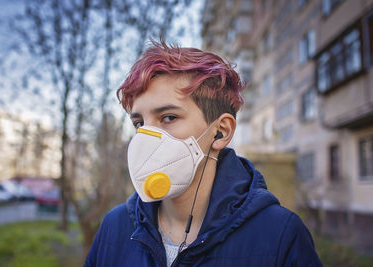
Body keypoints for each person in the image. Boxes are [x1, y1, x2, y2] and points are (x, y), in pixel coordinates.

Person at [85, 41, 322, 267]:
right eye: (139, 123)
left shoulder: (280, 235)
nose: (146, 138)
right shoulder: (114, 227)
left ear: (221, 132)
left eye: (168, 117)